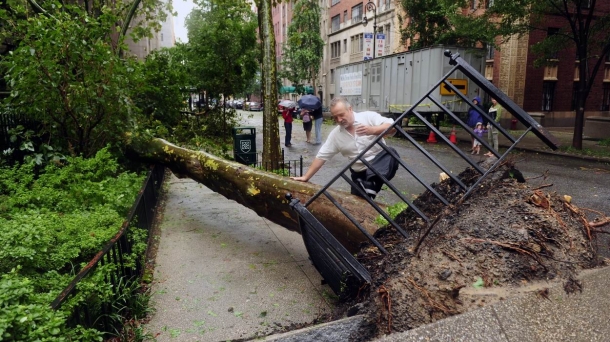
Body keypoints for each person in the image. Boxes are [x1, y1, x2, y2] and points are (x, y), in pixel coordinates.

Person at [291, 97, 398, 199]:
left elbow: (392, 127)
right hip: (359, 173)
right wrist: (306, 177)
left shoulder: (368, 117)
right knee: (356, 204)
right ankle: (368, 186)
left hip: (379, 163)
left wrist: (372, 130)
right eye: (335, 117)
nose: (339, 119)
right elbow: (321, 156)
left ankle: (372, 184)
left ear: (350, 109)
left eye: (341, 115)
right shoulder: (335, 135)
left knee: (392, 153)